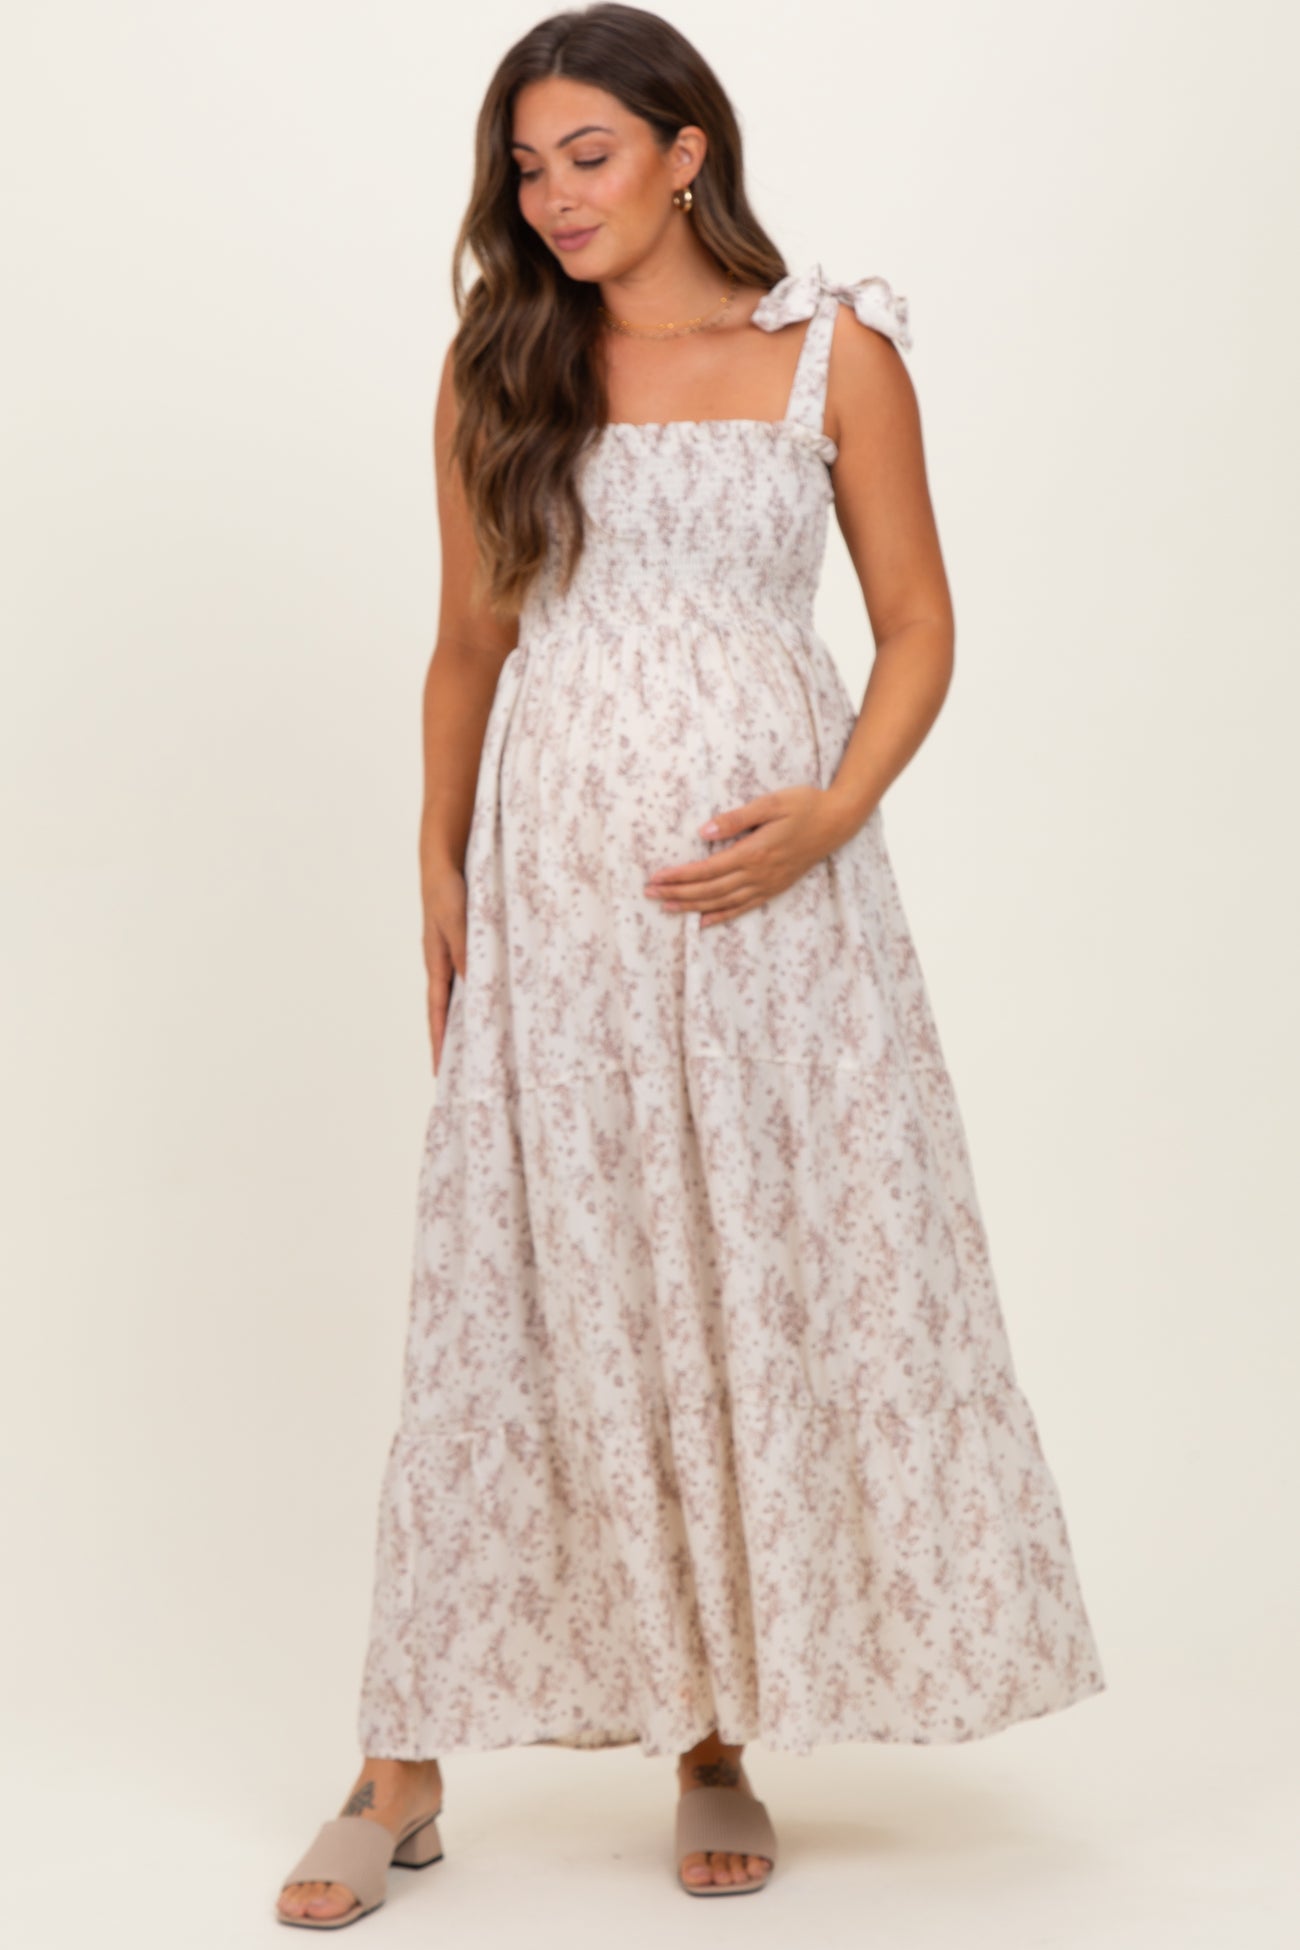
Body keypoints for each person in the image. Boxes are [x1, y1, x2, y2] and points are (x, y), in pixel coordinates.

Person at [274, 2, 1106, 1927]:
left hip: (779, 918)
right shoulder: (505, 365)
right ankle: (400, 1761)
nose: (553, 198)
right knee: (514, 1293)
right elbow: (470, 643)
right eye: (525, 168)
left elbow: (917, 623)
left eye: (588, 155)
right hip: (559, 903)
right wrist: (435, 860)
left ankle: (712, 1731)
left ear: (684, 151)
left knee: (748, 1270)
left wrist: (834, 810)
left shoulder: (834, 352)